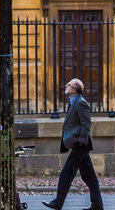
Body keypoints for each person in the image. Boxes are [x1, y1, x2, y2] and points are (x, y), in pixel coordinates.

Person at [43, 78, 104, 210]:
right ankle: (97, 204)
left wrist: (81, 142)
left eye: (68, 85)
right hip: (79, 145)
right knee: (89, 176)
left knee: (66, 174)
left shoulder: (81, 103)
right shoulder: (74, 102)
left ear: (74, 90)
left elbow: (86, 124)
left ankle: (58, 203)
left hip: (80, 145)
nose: (66, 86)